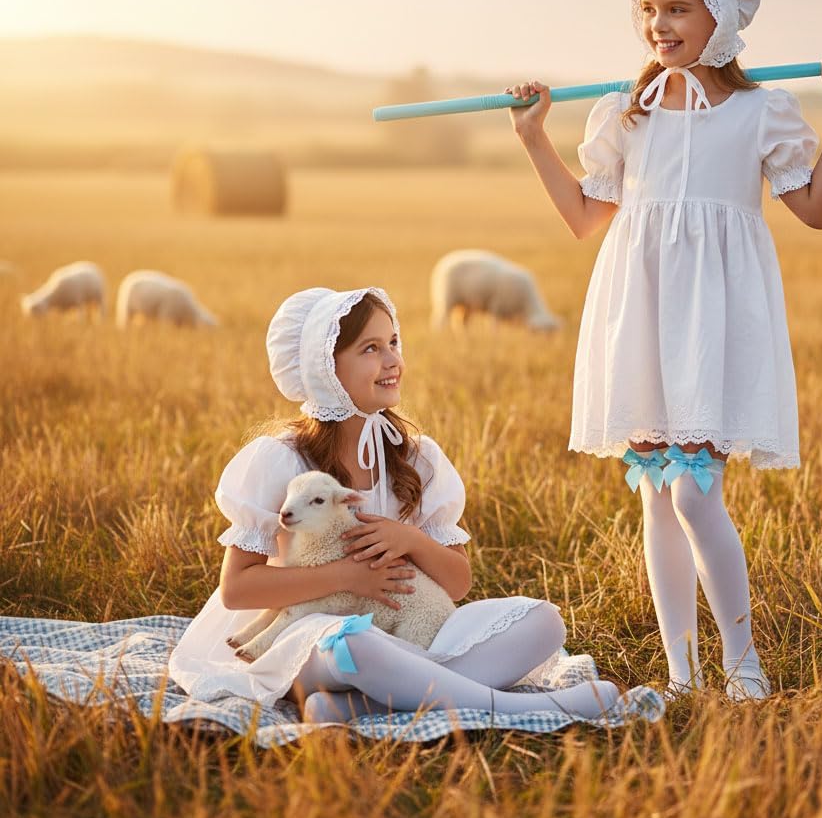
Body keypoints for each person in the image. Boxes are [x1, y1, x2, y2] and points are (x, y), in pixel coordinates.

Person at [503, 0, 822, 700]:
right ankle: (680, 673)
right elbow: (582, 217)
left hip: (714, 315)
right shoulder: (625, 113)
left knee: (697, 491)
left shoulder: (761, 111)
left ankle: (744, 669)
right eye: (647, 11)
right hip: (640, 308)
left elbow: (818, 208)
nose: (658, 25)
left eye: (677, 9)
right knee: (657, 493)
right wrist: (533, 138)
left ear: (721, 15)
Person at [168, 286, 620, 722]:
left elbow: (458, 583)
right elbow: (238, 589)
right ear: (326, 367)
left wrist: (410, 540)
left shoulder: (416, 457)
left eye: (394, 343)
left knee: (544, 623)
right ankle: (527, 708)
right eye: (370, 349)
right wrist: (350, 577)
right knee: (356, 645)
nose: (393, 361)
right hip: (313, 640)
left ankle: (362, 706)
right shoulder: (284, 459)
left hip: (407, 634)